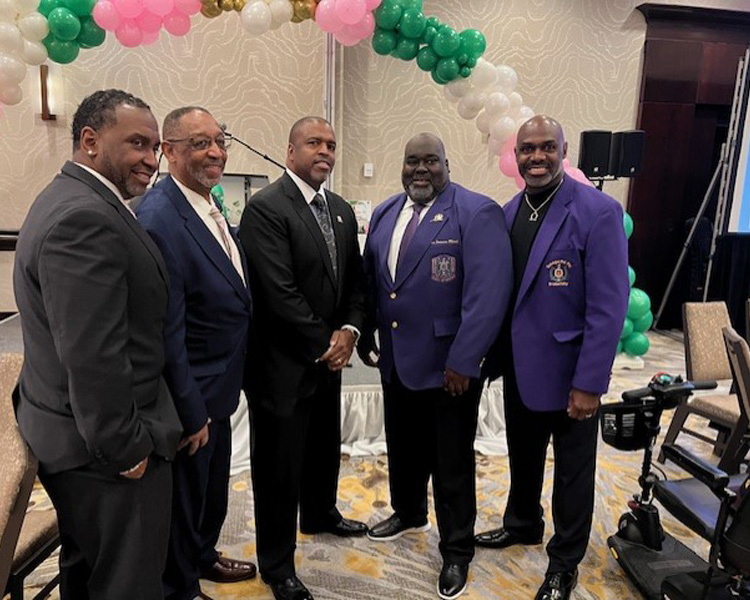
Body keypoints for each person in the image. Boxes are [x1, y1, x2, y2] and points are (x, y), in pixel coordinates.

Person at [12, 89, 183, 600]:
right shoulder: (83, 217)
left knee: (89, 577)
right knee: (127, 585)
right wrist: (124, 450)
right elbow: (92, 355)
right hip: (103, 454)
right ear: (90, 140)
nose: (151, 159)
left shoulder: (76, 198)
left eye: (155, 147)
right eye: (137, 143)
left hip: (77, 436)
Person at [474, 115, 629, 600]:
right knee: (522, 454)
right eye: (527, 149)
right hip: (519, 367)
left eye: (546, 147)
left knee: (572, 473)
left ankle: (564, 564)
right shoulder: (508, 212)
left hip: (570, 374)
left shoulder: (598, 212)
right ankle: (522, 523)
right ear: (516, 155)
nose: (536, 157)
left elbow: (609, 307)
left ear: (564, 152)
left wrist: (590, 383)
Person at [358, 132, 513, 600]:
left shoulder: (476, 212)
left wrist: (465, 360)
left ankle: (457, 549)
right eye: (412, 161)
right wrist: (366, 330)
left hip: (450, 368)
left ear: (447, 164)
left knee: (451, 463)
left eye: (430, 161)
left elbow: (488, 297)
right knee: (403, 446)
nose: (420, 169)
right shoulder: (386, 211)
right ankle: (409, 513)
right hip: (397, 360)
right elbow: (374, 280)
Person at [238, 116, 368, 600]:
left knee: (322, 447)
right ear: (291, 151)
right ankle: (276, 565)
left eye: (331, 144)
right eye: (314, 142)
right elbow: (278, 293)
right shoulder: (266, 208)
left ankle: (320, 513)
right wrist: (327, 343)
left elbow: (355, 281)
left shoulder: (340, 209)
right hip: (281, 365)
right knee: (278, 469)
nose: (325, 151)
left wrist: (350, 330)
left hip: (328, 358)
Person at [136, 106, 256, 600]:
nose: (215, 152)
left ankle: (203, 556)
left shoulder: (203, 202)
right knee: (183, 504)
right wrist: (190, 411)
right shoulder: (160, 217)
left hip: (219, 385)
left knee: (209, 493)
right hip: (191, 396)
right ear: (168, 151)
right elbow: (167, 331)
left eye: (219, 141)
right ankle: (180, 588)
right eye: (200, 143)